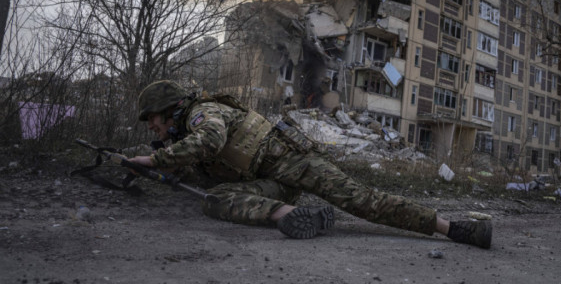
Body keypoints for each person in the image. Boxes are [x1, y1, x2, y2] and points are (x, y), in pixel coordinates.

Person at [128, 80, 492, 248]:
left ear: (169, 110)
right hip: (273, 186)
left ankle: (454, 228)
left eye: (153, 119)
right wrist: (156, 164)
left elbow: (211, 139)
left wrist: (154, 157)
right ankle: (290, 215)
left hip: (295, 163)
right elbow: (205, 171)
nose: (152, 127)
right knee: (213, 199)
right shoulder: (181, 133)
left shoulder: (200, 114)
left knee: (362, 201)